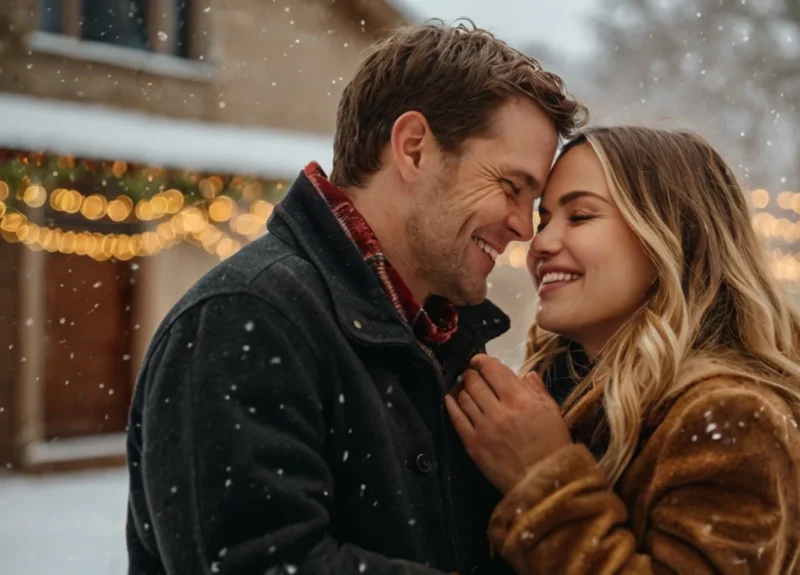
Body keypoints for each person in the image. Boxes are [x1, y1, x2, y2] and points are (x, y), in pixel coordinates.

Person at [125, 22, 587, 575]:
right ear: (414, 148)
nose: (522, 228)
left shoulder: (446, 344)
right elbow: (262, 563)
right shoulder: (244, 318)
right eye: (511, 187)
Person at [446, 126, 800, 574]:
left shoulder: (730, 418)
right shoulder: (556, 394)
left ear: (669, 236)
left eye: (580, 216)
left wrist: (544, 480)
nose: (541, 243)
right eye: (544, 220)